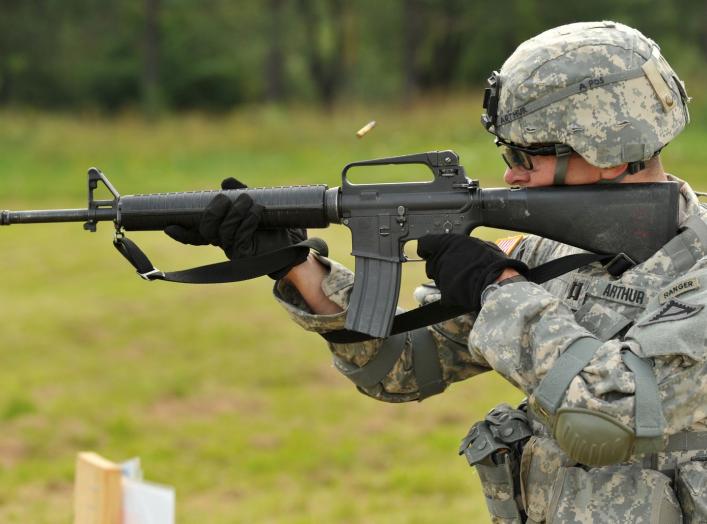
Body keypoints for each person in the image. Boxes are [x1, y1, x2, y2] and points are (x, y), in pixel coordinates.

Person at [166, 22, 707, 523]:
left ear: (609, 153)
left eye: (527, 154)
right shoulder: (544, 252)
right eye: (506, 150)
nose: (509, 173)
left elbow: (608, 413)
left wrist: (498, 289)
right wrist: (295, 266)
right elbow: (401, 367)